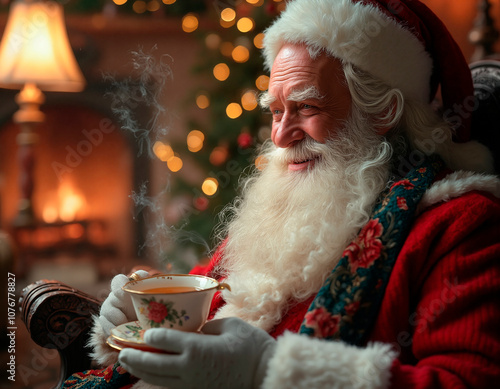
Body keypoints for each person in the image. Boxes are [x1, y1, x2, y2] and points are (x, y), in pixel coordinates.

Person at [64, 0, 500, 388]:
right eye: (275, 111)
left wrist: (270, 370)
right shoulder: (292, 208)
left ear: (383, 110)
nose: (281, 134)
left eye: (306, 107)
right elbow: (200, 298)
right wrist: (134, 317)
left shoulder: (460, 226)